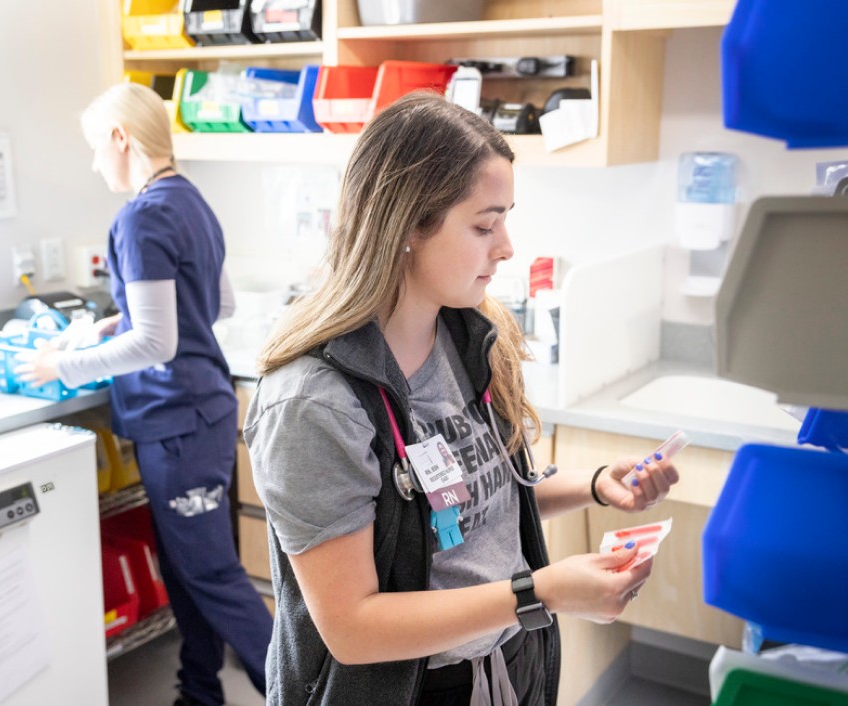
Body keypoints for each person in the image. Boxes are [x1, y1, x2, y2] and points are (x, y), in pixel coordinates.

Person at [243, 91, 680, 706]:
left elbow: (475, 502)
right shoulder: (315, 403)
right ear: (407, 227)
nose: (506, 247)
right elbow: (351, 628)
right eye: (484, 224)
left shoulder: (468, 339)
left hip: (505, 662)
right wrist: (541, 592)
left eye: (504, 220)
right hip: (407, 688)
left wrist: (597, 482)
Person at [16, 82, 273, 706]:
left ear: (120, 138)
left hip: (177, 421)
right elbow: (219, 303)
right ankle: (200, 692)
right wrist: (127, 318)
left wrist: (62, 364)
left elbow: (157, 345)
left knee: (211, 573)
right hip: (201, 413)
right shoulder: (189, 201)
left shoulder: (141, 215)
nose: (95, 162)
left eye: (95, 148)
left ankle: (313, 692)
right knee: (188, 570)